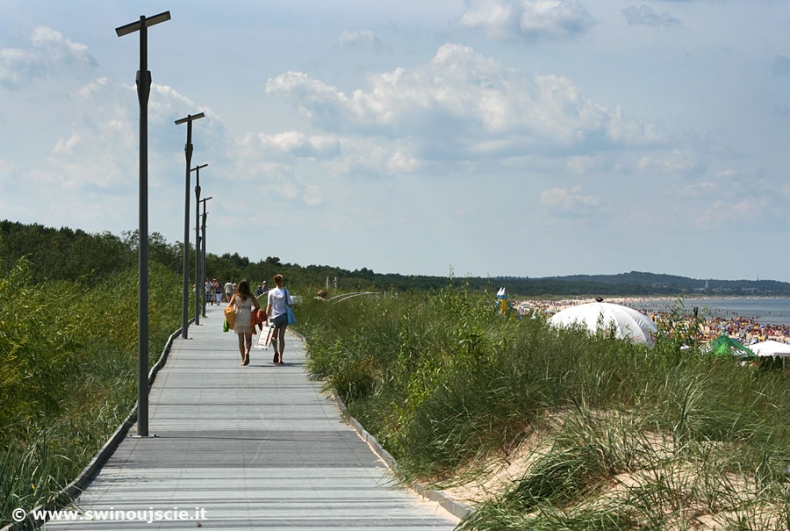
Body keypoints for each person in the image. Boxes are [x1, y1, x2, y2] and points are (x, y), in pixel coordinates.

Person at [228, 279, 261, 366]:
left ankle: (243, 359)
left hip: (239, 316)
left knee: (241, 340)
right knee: (248, 340)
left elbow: (229, 306)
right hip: (248, 316)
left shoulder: (235, 295)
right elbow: (258, 306)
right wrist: (253, 311)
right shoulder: (250, 295)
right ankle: (247, 352)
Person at [266, 274, 293, 365]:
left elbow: (269, 306)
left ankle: (276, 351)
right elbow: (290, 304)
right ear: (282, 282)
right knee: (282, 337)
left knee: (274, 337)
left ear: (275, 282)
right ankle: (281, 357)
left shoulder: (271, 292)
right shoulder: (286, 292)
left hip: (274, 316)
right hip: (284, 315)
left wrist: (266, 318)